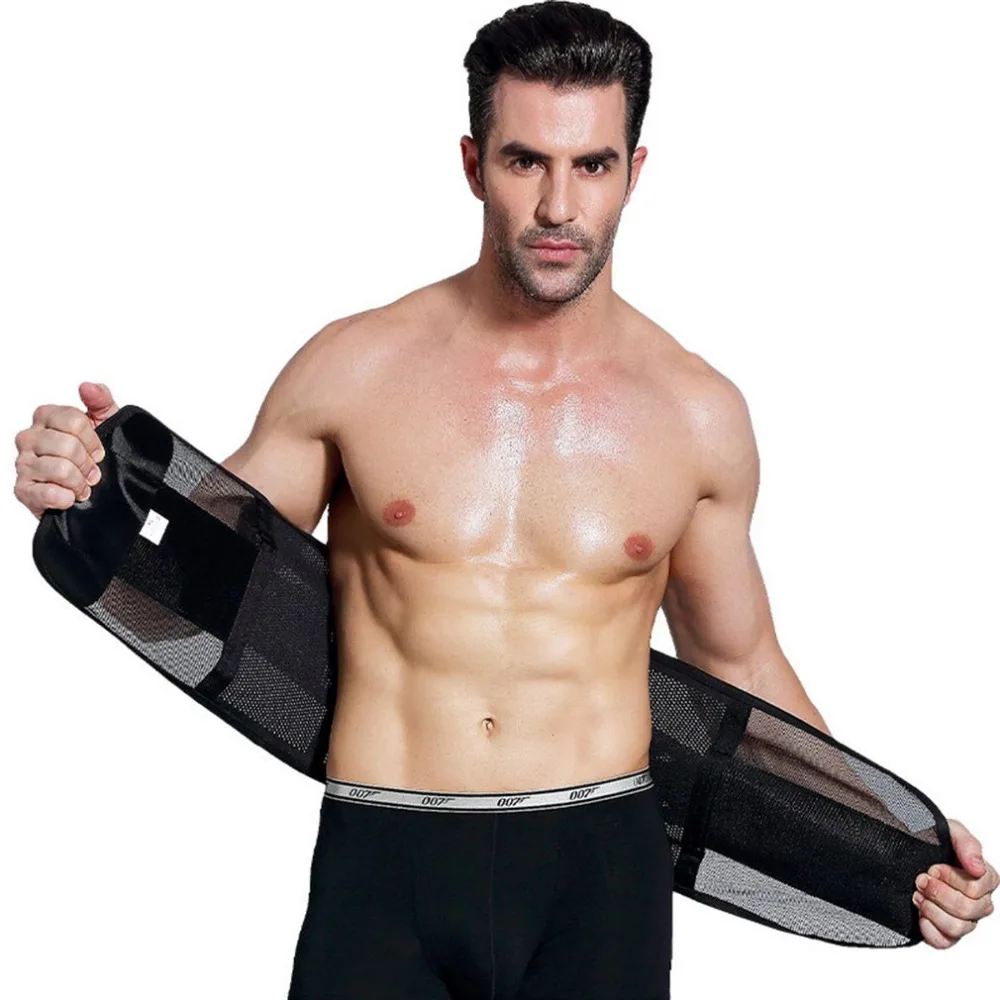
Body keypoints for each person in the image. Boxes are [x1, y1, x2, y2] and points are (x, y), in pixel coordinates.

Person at [12, 2, 996, 997]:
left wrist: (894, 852)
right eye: (526, 161)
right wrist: (82, 488)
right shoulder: (355, 367)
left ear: (634, 173)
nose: (559, 205)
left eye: (592, 165)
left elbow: (737, 661)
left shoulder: (695, 414)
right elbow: (203, 585)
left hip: (600, 870)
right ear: (473, 163)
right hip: (385, 851)